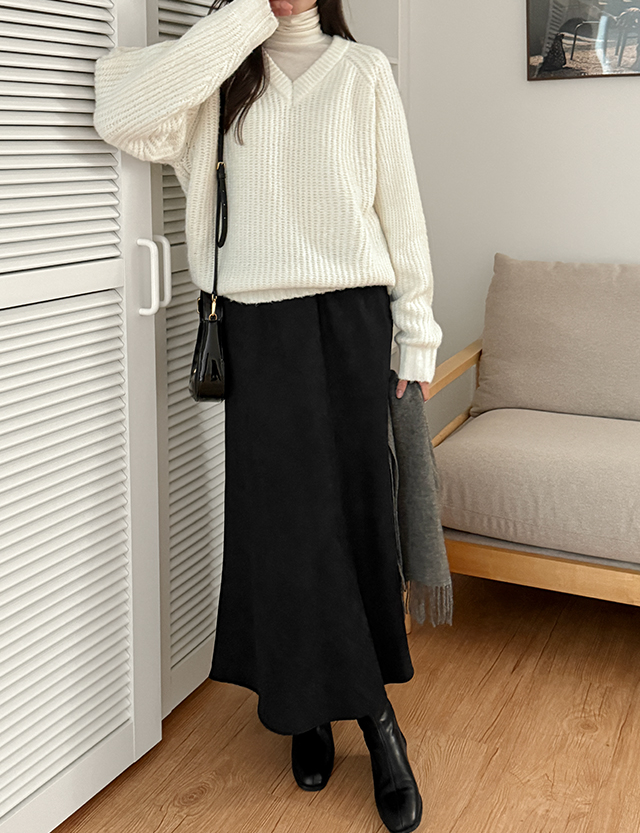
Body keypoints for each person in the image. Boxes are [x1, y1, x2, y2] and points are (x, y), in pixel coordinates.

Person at [93, 0, 443, 830]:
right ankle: (317, 709)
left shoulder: (363, 73)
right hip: (256, 330)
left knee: (356, 521)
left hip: (354, 322)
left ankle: (372, 720)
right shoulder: (217, 76)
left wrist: (417, 336)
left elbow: (402, 210)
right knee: (286, 532)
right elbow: (120, 114)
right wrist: (247, 15)